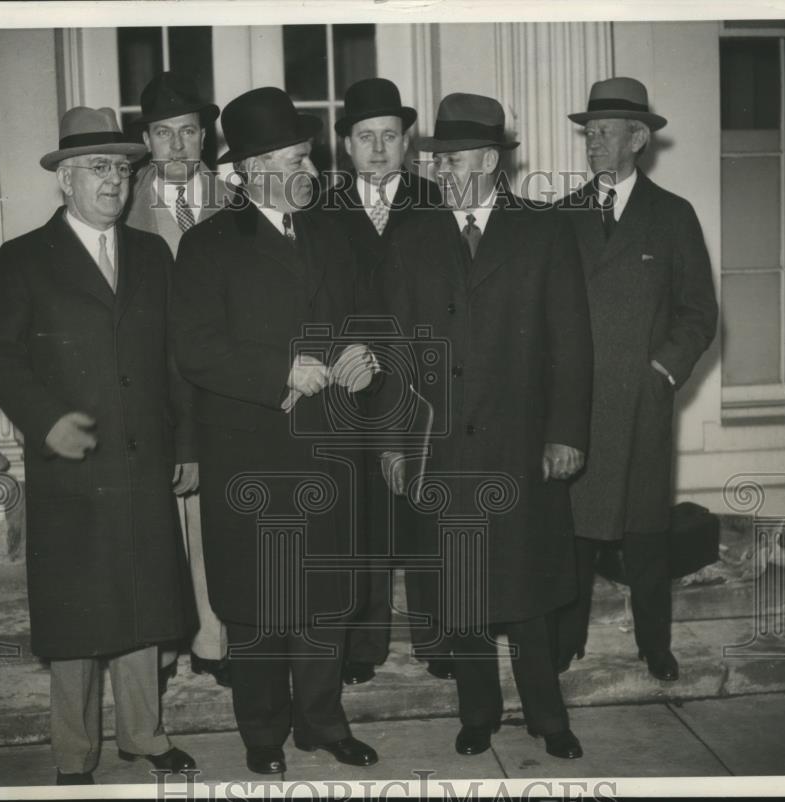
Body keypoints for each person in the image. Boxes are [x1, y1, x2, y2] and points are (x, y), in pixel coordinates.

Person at [0, 106, 198, 785]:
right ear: (65, 180)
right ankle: (74, 754)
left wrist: (186, 442)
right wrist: (46, 422)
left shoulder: (153, 254)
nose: (115, 183)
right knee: (76, 622)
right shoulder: (23, 258)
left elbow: (176, 359)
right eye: (99, 169)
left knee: (143, 609)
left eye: (124, 171)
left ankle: (145, 735)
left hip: (144, 461)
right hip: (71, 470)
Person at [378, 93, 593, 759]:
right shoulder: (410, 234)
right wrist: (391, 438)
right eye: (438, 159)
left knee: (526, 586)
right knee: (460, 585)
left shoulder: (542, 230)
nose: (444, 170)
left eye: (458, 158)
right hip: (440, 448)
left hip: (520, 446)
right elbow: (392, 347)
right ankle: (478, 711)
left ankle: (546, 714)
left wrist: (566, 433)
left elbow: (572, 343)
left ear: (492, 160)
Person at [171, 87, 379, 775]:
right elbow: (194, 348)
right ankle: (263, 736)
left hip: (331, 452)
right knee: (258, 607)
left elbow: (373, 316)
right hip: (251, 455)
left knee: (324, 600)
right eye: (292, 159)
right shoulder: (206, 246)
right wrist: (281, 370)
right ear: (250, 169)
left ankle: (322, 724)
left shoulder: (340, 231)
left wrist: (364, 352)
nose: (309, 172)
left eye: (308, 157)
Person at [553, 77, 718, 682]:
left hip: (642, 402)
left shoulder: (673, 216)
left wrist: (662, 371)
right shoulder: (560, 216)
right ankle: (565, 642)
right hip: (575, 405)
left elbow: (699, 312)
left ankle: (654, 645)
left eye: (604, 133)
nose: (592, 142)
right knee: (572, 534)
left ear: (638, 138)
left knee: (645, 534)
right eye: (588, 132)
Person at [323, 77, 451, 687]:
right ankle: (361, 644)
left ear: (408, 142)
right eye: (365, 138)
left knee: (429, 508)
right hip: (350, 385)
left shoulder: (437, 201)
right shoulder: (318, 206)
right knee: (361, 518)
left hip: (423, 381)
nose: (378, 150)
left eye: (390, 137)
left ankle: (439, 638)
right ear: (345, 145)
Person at [124, 70, 231, 693]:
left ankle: (214, 642)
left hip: (218, 389)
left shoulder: (235, 198)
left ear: (203, 138)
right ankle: (161, 648)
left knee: (216, 517)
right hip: (152, 391)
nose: (176, 146)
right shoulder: (123, 204)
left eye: (188, 133)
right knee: (160, 524)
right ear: (147, 140)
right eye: (163, 134)